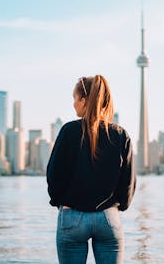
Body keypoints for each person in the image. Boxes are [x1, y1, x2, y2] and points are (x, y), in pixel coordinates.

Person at [47, 75, 136, 264]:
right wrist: (118, 206)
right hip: (108, 219)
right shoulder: (120, 135)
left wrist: (61, 203)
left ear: (84, 101)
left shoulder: (69, 131)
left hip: (72, 217)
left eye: (75, 99)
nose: (73, 104)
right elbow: (128, 182)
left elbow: (54, 175)